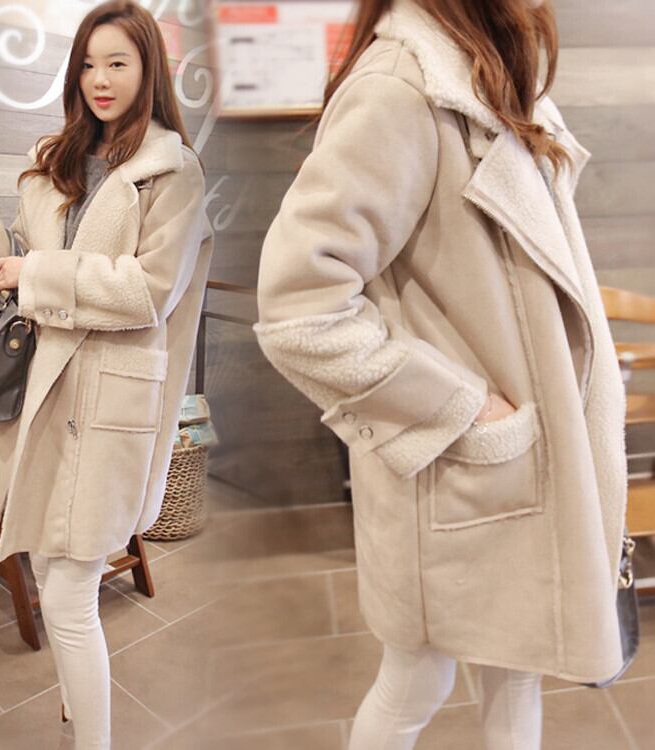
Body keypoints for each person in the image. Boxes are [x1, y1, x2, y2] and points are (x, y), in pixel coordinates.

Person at [253, 0, 628, 748]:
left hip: (523, 461)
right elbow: (299, 308)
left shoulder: (492, 74)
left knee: (517, 668)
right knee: (415, 682)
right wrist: (459, 408)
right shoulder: (402, 89)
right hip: (463, 466)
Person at [0, 1, 212, 747]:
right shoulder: (57, 162)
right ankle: (79, 718)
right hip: (43, 395)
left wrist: (41, 274)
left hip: (107, 403)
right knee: (57, 577)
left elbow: (150, 291)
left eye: (117, 62)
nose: (99, 79)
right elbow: (14, 267)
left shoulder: (172, 171)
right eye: (87, 64)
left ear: (148, 70)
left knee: (71, 594)